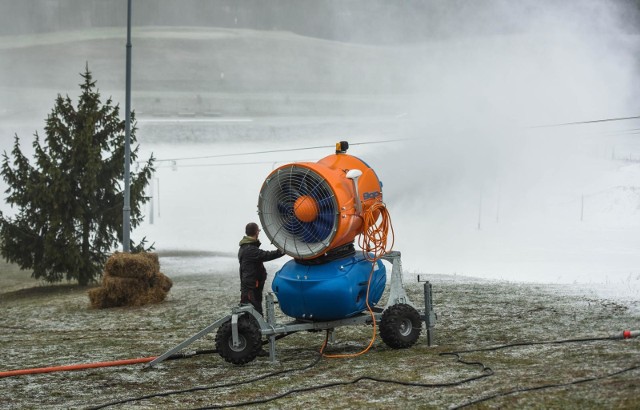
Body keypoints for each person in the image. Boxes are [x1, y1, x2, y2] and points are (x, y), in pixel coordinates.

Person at [238, 222, 284, 317]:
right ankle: (255, 330)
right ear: (256, 232)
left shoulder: (245, 247)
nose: (259, 232)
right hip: (251, 288)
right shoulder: (250, 249)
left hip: (251, 286)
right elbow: (266, 255)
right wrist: (283, 251)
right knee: (255, 314)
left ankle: (255, 329)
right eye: (258, 230)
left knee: (254, 312)